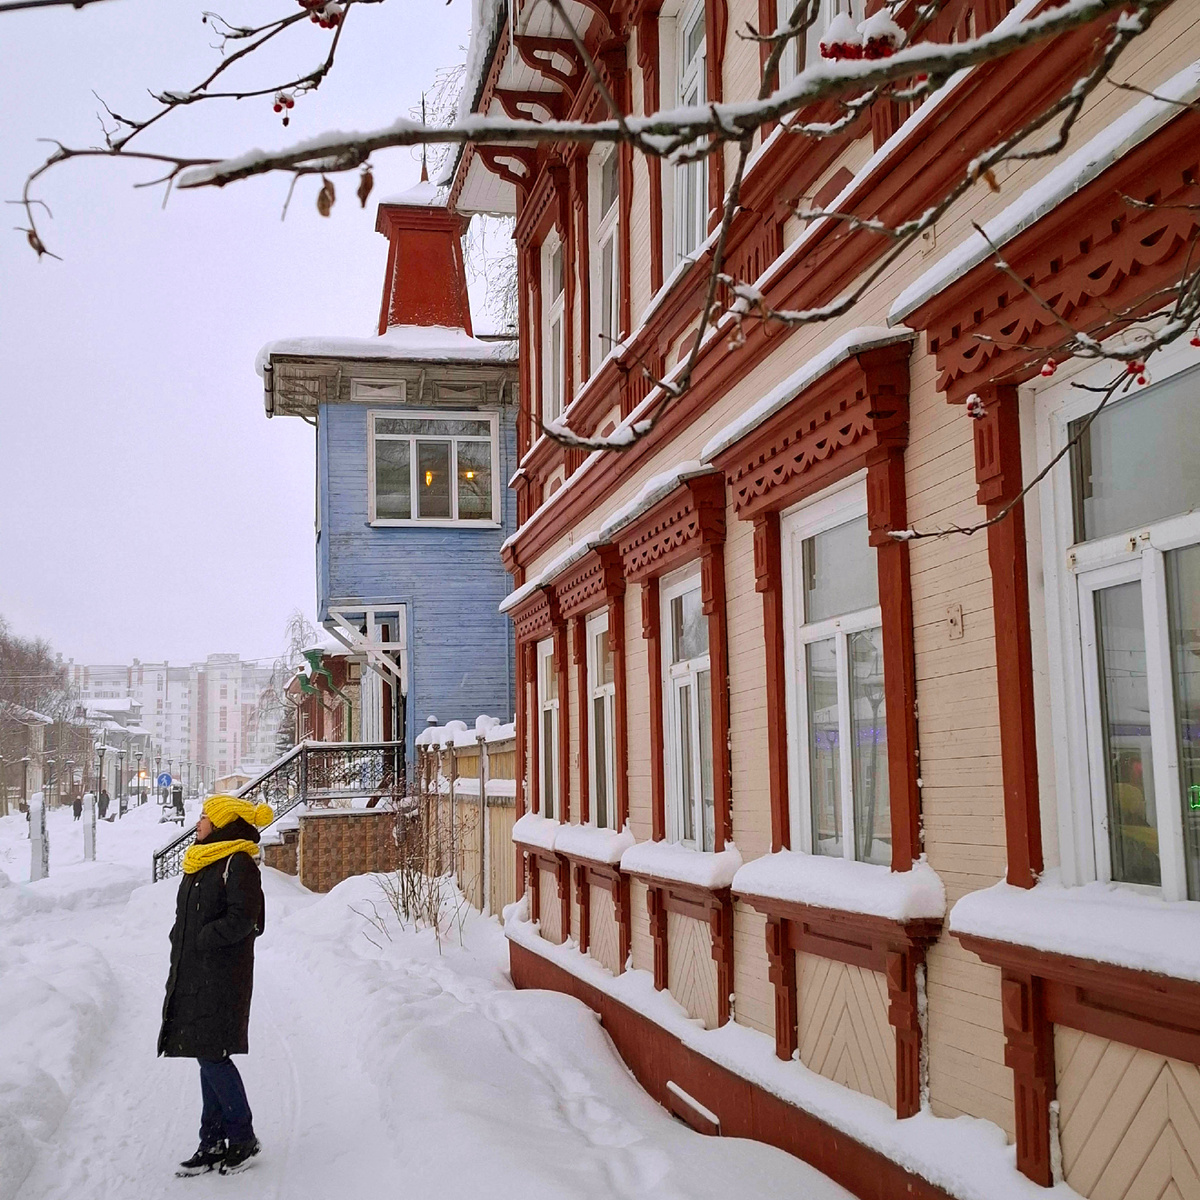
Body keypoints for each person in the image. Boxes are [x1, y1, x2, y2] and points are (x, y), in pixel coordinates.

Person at [159, 794, 272, 1177]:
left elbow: (247, 920)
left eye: (205, 816)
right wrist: (182, 940)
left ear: (222, 823)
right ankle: (212, 1142)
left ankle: (242, 1137)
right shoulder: (202, 859)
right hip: (195, 971)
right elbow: (186, 915)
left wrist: (206, 938)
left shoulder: (237, 862)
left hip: (222, 975)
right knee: (204, 1050)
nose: (198, 822)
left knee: (212, 1055)